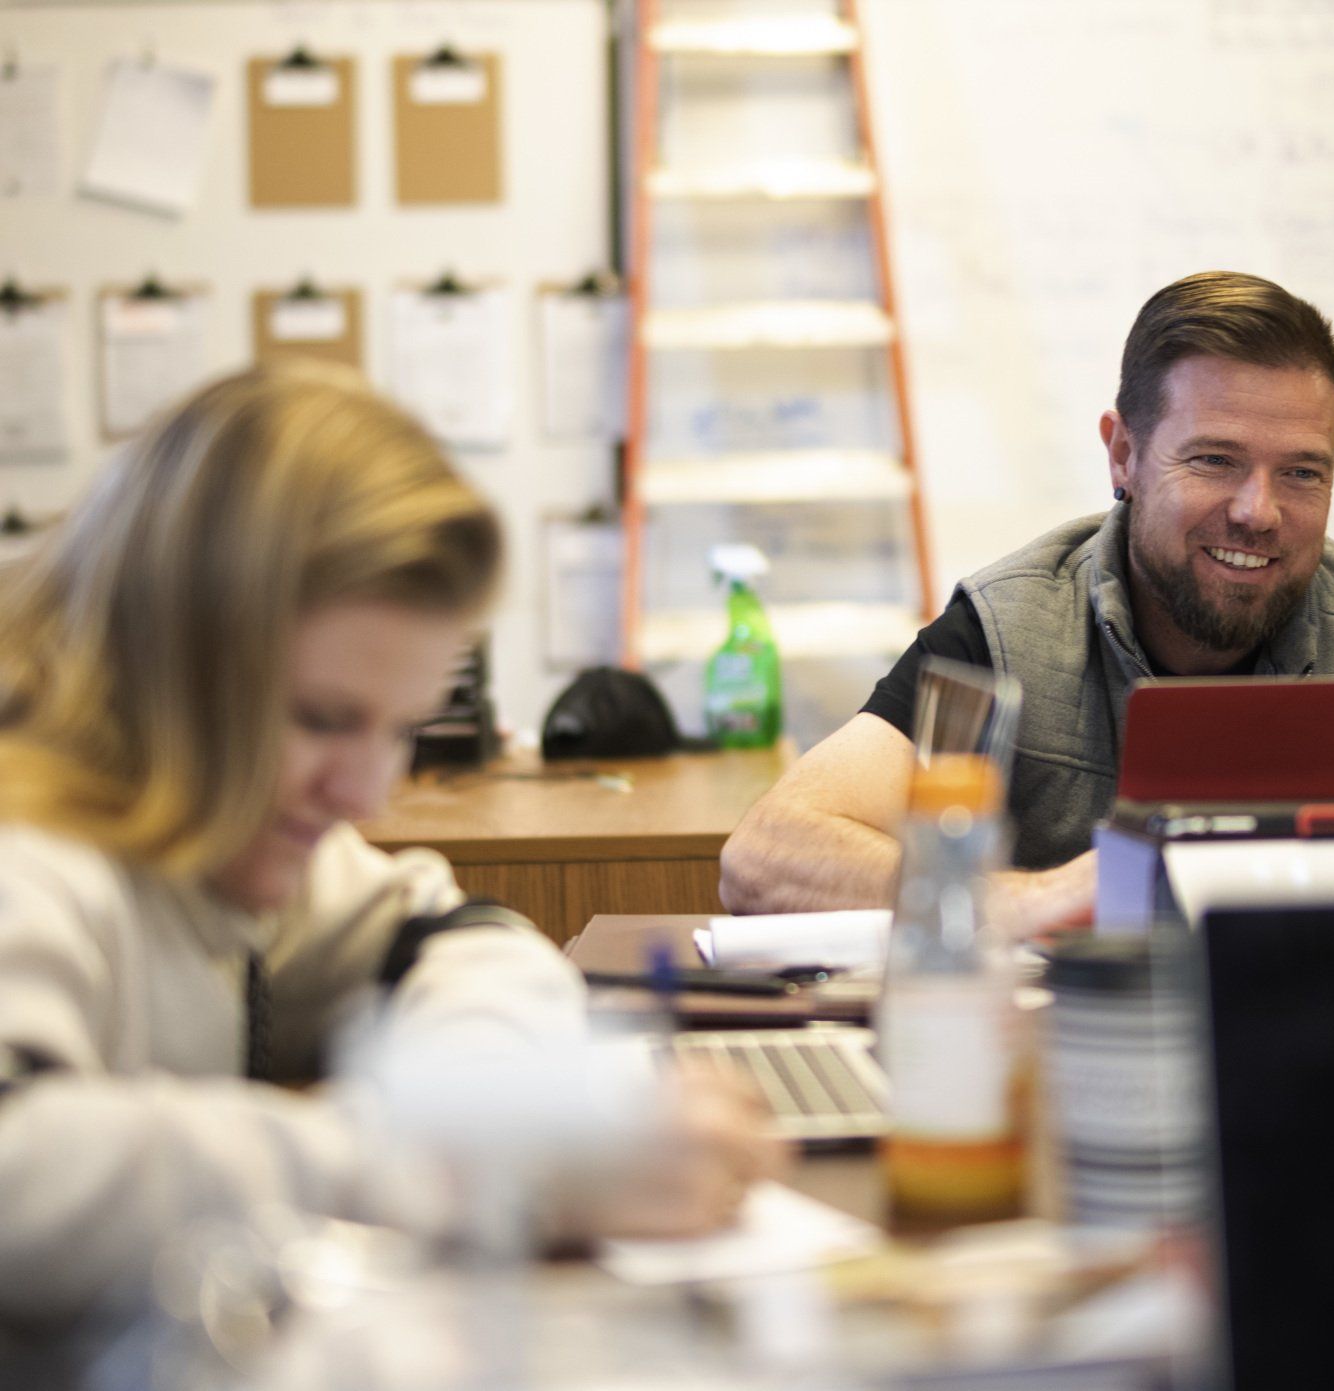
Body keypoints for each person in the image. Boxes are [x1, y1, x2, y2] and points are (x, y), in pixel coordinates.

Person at [0, 364, 785, 1348]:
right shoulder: (33, 846)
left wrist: (486, 1097)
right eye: (324, 718)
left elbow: (456, 928)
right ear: (166, 653)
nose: (366, 793)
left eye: (399, 726)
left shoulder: (199, 822)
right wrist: (469, 1162)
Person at [718, 271, 1334, 932]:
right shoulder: (1004, 631)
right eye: (1214, 460)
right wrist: (1030, 899)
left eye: (1300, 472)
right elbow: (768, 855)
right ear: (1123, 455)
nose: (1258, 512)